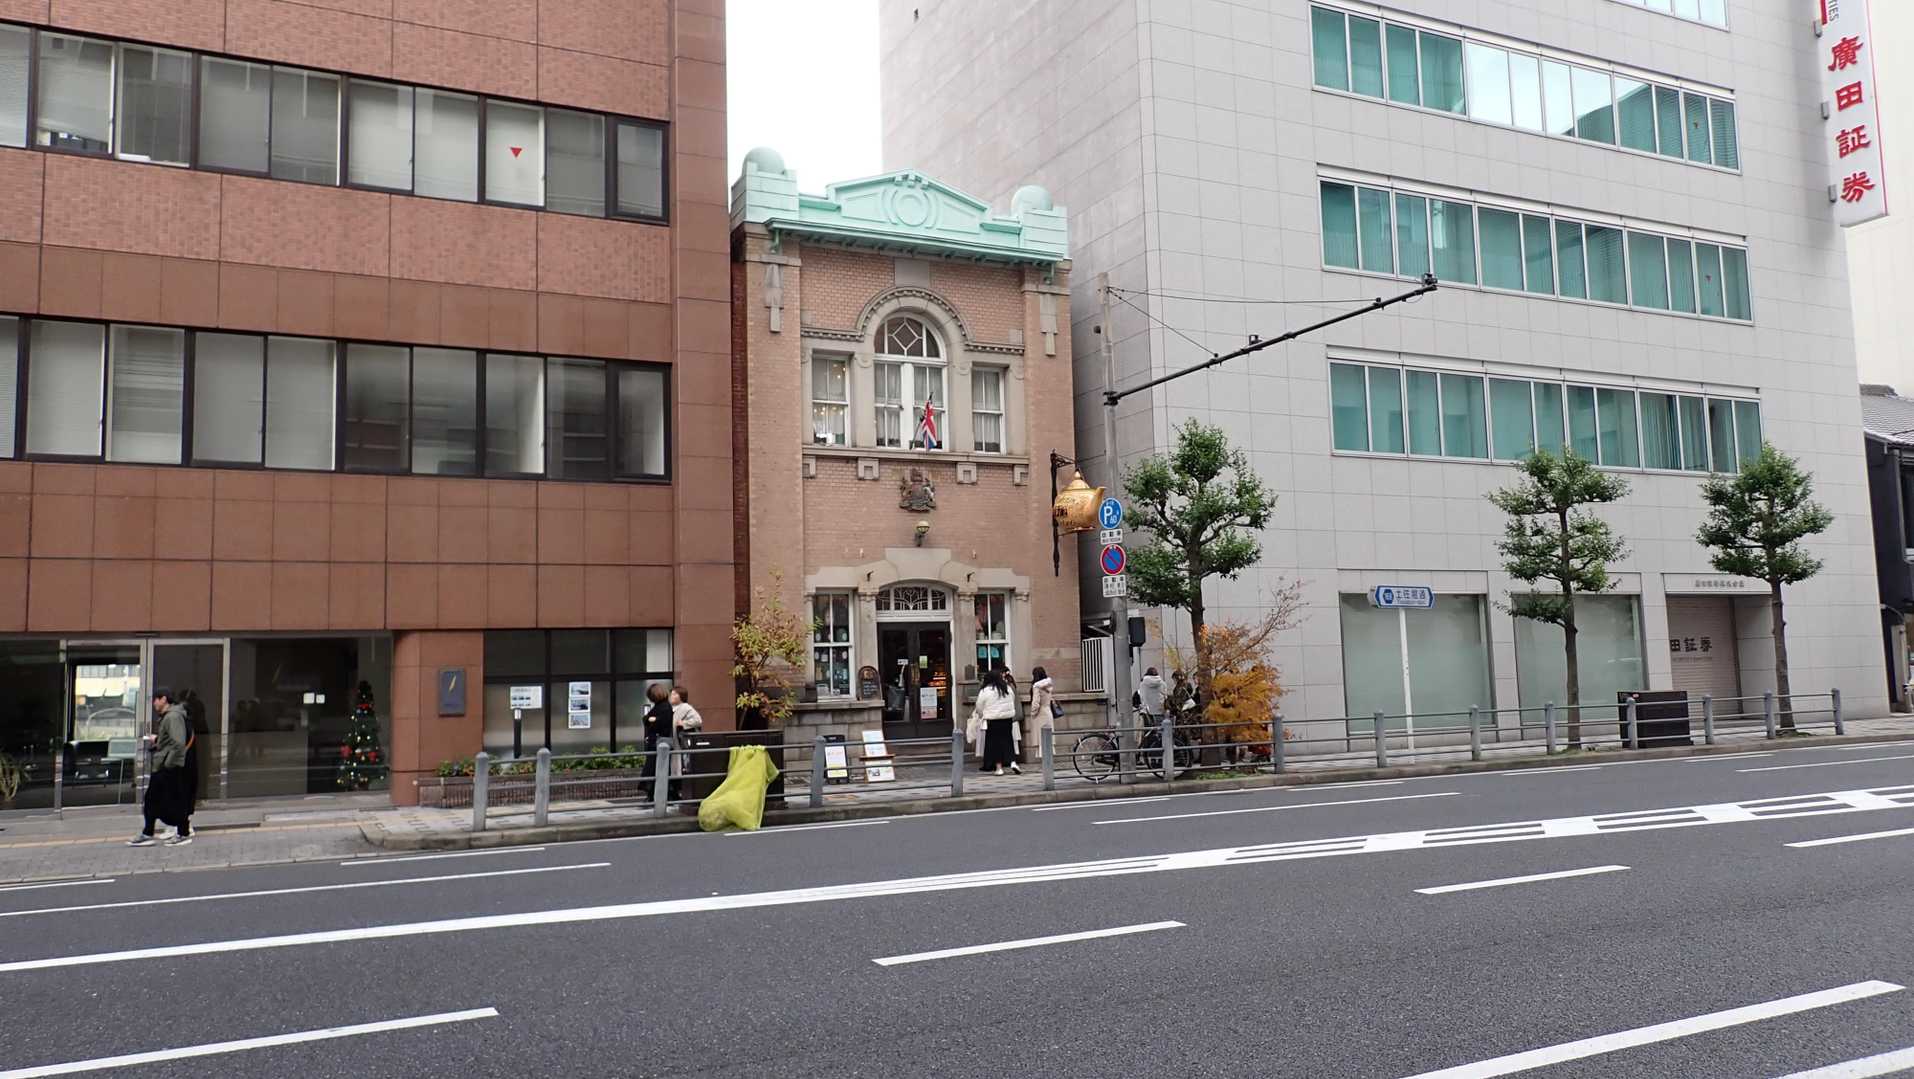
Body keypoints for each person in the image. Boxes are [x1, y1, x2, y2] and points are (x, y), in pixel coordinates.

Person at [129, 687, 193, 846]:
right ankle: (149, 832)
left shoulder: (172, 717)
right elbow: (171, 741)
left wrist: (168, 763)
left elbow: (178, 743)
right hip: (164, 765)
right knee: (154, 799)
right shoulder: (169, 716)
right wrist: (158, 742)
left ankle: (181, 833)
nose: (154, 703)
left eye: (156, 699)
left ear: (164, 699)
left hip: (168, 767)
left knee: (170, 800)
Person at [971, 668, 1019, 776]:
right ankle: (1013, 762)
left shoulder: (985, 691)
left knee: (995, 744)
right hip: (1007, 718)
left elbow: (979, 706)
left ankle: (999, 768)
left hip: (993, 720)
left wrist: (982, 715)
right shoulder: (1007, 688)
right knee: (1008, 741)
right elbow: (1013, 699)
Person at [640, 683, 676, 806]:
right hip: (657, 742)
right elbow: (646, 719)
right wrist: (650, 720)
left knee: (654, 769)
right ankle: (657, 796)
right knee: (655, 769)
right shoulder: (661, 706)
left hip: (659, 743)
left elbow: (660, 724)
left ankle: (657, 796)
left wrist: (653, 720)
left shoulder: (664, 707)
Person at [1029, 666, 1058, 760]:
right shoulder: (1048, 685)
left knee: (1041, 739)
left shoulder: (1036, 687)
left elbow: (1036, 703)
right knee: (1048, 738)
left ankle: (1045, 763)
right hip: (1048, 711)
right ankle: (1048, 761)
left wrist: (1033, 713)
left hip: (1040, 713)